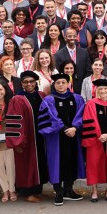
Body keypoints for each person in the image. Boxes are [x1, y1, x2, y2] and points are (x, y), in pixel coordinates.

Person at [37, 72, 86, 205]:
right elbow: (50, 117)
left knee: (71, 161)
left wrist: (75, 127)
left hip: (73, 136)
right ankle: (58, 192)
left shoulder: (77, 98)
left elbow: (81, 114)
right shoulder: (49, 100)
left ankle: (68, 190)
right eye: (58, 83)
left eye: (63, 82)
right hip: (55, 137)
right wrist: (64, 128)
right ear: (54, 84)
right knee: (56, 163)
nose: (61, 85)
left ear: (68, 84)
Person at [82, 78, 107, 202]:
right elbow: (89, 120)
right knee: (94, 164)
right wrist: (99, 135)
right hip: (95, 139)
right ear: (97, 90)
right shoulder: (90, 104)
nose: (103, 91)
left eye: (105, 89)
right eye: (100, 89)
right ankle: (94, 190)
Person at [16, 71, 47, 202]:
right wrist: (18, 142)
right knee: (27, 164)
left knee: (40, 163)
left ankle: (37, 191)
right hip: (26, 139)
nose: (29, 84)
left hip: (41, 137)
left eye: (32, 81)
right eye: (26, 82)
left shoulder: (41, 95)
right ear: (22, 84)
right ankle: (28, 193)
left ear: (36, 82)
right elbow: (15, 122)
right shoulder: (18, 99)